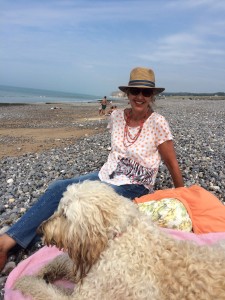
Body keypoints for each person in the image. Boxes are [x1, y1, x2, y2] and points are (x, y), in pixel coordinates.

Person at [0, 67, 184, 271]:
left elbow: (171, 162)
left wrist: (183, 196)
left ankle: (33, 242)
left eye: (146, 92)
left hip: (134, 184)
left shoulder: (158, 122)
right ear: (128, 94)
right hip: (106, 174)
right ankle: (6, 242)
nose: (139, 97)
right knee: (58, 188)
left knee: (86, 206)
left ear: (152, 96)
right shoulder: (116, 118)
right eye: (135, 92)